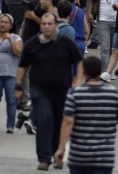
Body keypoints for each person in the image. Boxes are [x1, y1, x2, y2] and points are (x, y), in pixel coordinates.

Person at [16, 12, 84, 171]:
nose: (46, 26)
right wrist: (18, 85)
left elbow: (79, 62)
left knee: (59, 124)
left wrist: (78, 82)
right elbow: (22, 65)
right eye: (43, 24)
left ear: (55, 25)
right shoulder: (33, 44)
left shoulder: (65, 42)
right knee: (45, 120)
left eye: (49, 24)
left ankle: (57, 154)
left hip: (62, 91)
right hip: (39, 90)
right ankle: (44, 158)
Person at [55, 56, 118, 174]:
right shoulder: (113, 93)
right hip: (104, 157)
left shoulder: (74, 94)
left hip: (79, 157)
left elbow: (68, 121)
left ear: (84, 72)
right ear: (100, 72)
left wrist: (61, 147)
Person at [0, 13, 23, 132]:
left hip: (10, 73)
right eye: (1, 22)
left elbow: (18, 53)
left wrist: (10, 40)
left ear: (11, 25)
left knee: (11, 100)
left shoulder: (16, 38)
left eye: (6, 22)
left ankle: (10, 125)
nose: (3, 24)